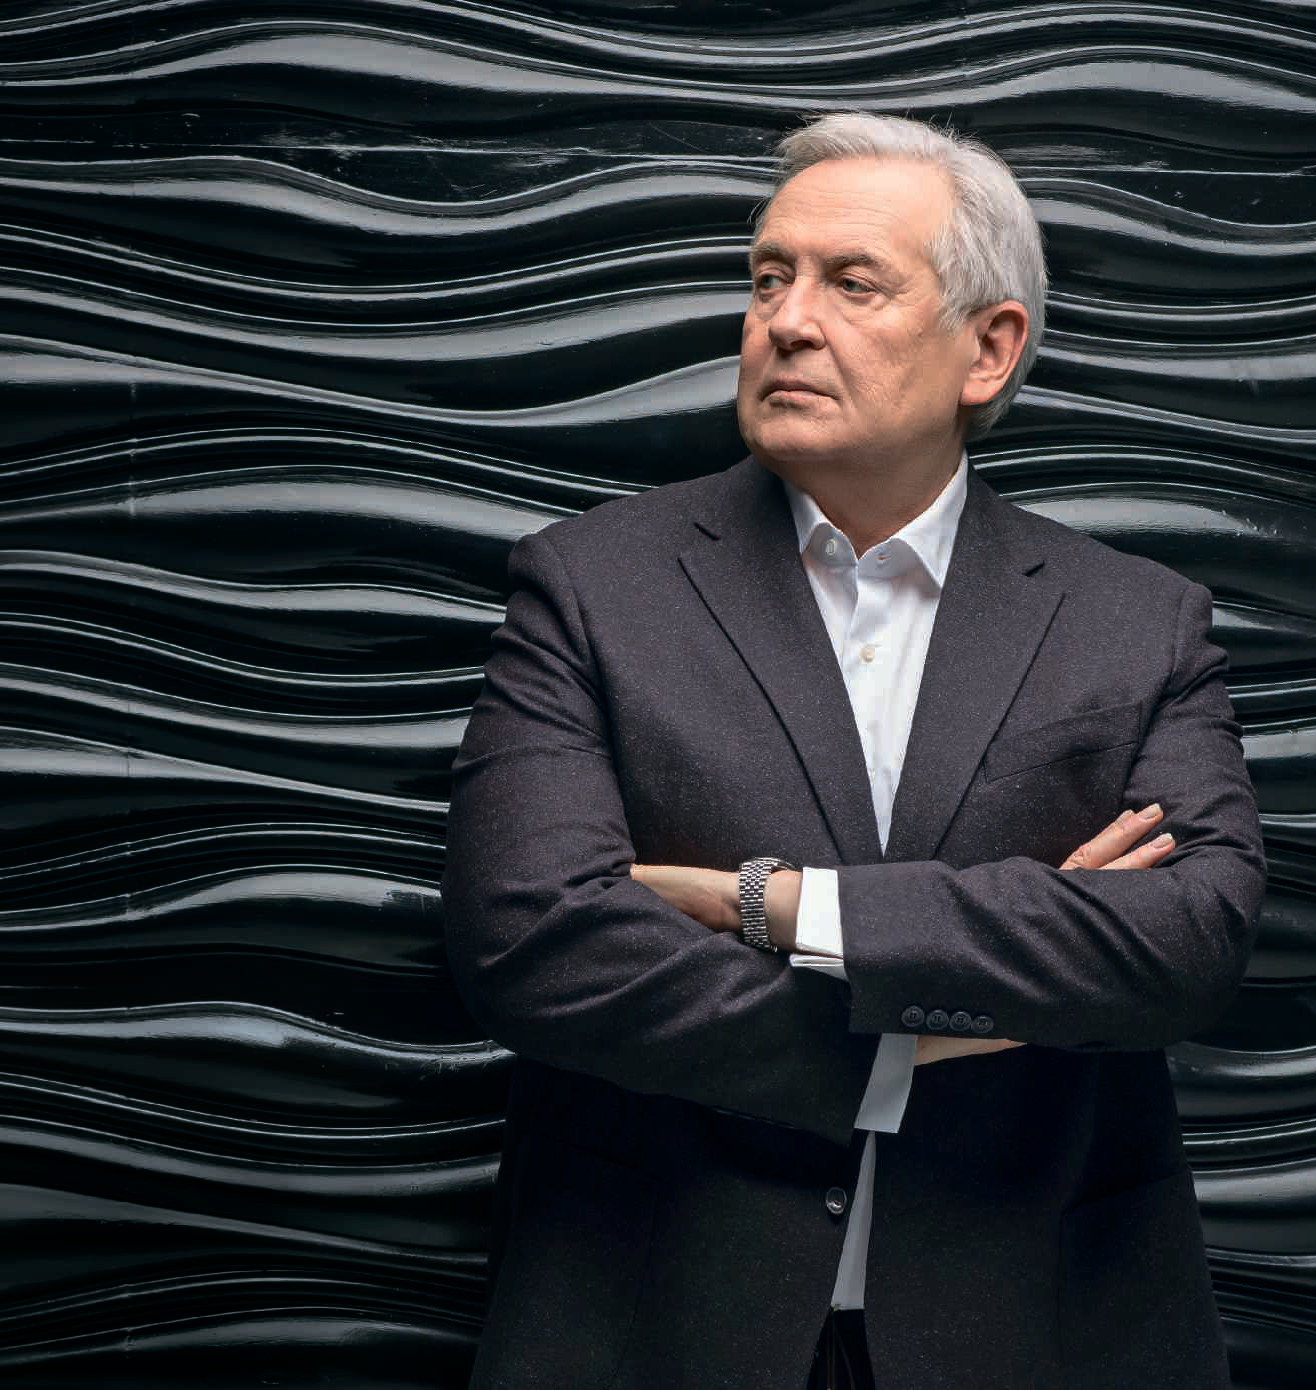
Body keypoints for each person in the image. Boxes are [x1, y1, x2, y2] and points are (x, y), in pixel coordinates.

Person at [441, 111, 1264, 1390]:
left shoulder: (1132, 620)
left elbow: (1192, 936)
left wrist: (776, 906)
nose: (785, 320)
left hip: (1037, 1325)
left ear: (988, 349)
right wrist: (920, 1033)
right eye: (768, 276)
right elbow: (527, 939)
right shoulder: (591, 586)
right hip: (656, 1319)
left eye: (851, 283)